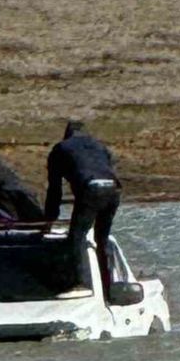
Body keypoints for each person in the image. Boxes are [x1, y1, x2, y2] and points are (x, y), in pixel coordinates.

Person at [44, 120, 121, 297]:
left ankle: (79, 283)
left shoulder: (60, 149)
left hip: (91, 188)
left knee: (77, 238)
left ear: (66, 135)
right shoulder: (99, 146)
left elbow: (55, 190)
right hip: (113, 189)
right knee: (102, 239)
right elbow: (108, 170)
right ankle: (109, 286)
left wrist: (49, 220)